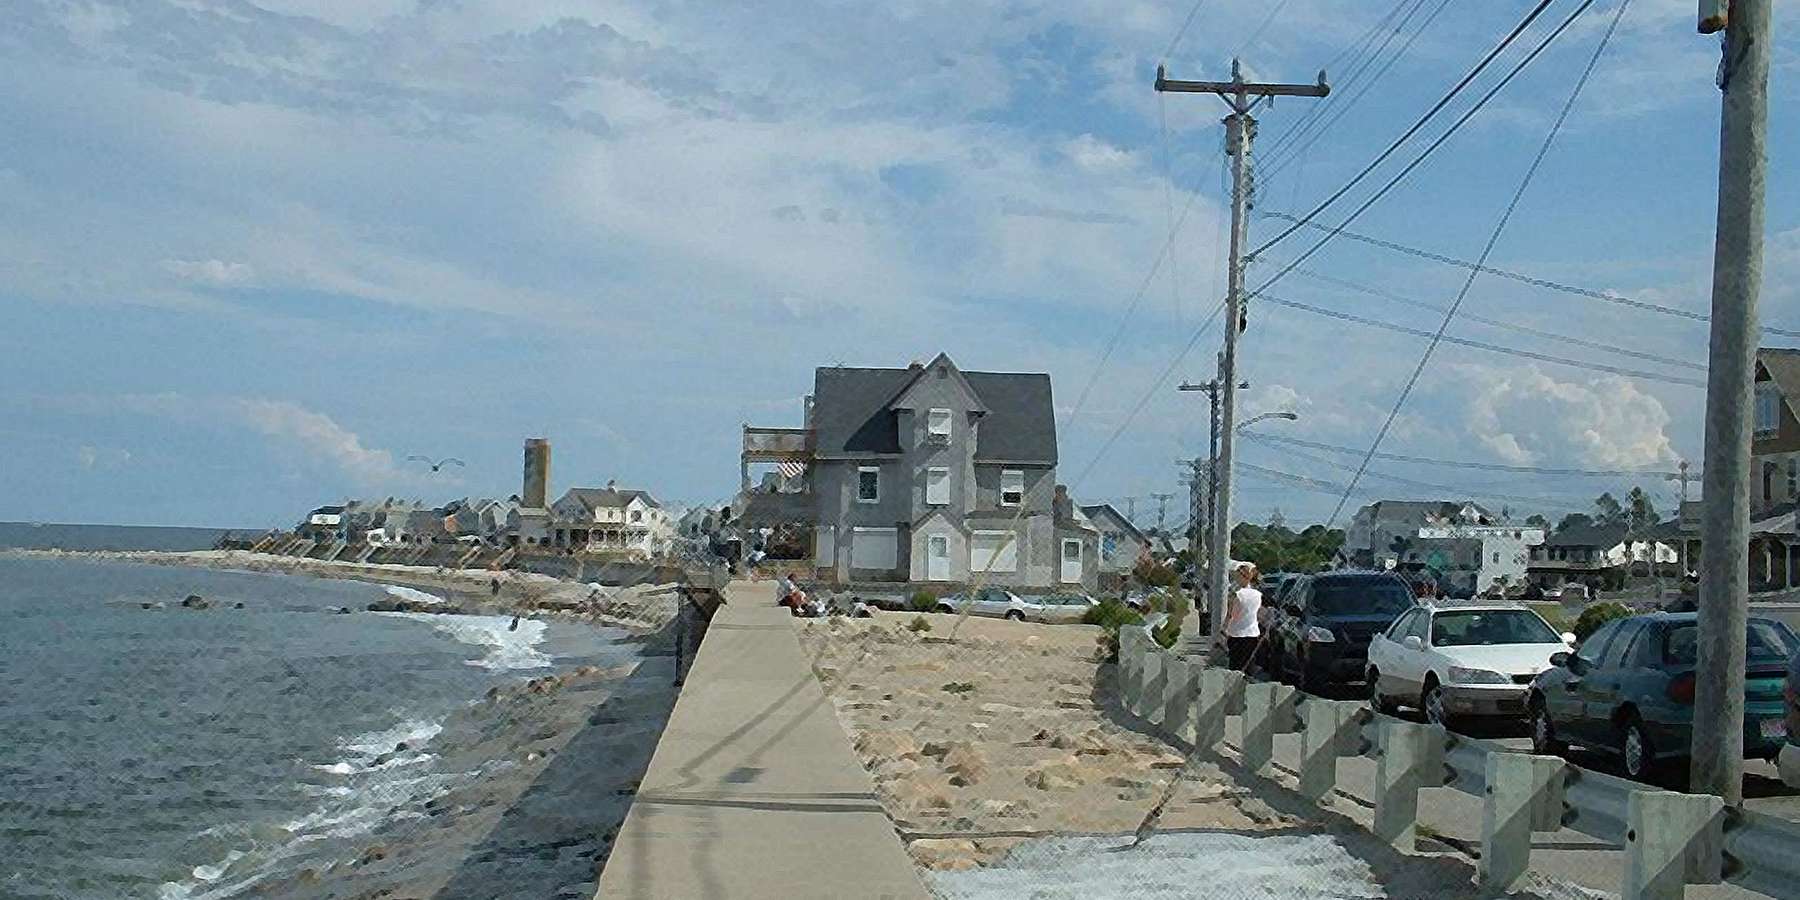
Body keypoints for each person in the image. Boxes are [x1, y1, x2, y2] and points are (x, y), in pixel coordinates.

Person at [1225, 562, 1263, 673]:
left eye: (1238, 576)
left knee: (1235, 666)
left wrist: (1223, 630)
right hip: (1253, 634)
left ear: (1243, 577)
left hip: (1236, 634)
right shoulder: (1258, 595)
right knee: (1248, 666)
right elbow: (1258, 614)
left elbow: (1231, 615)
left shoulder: (1237, 594)